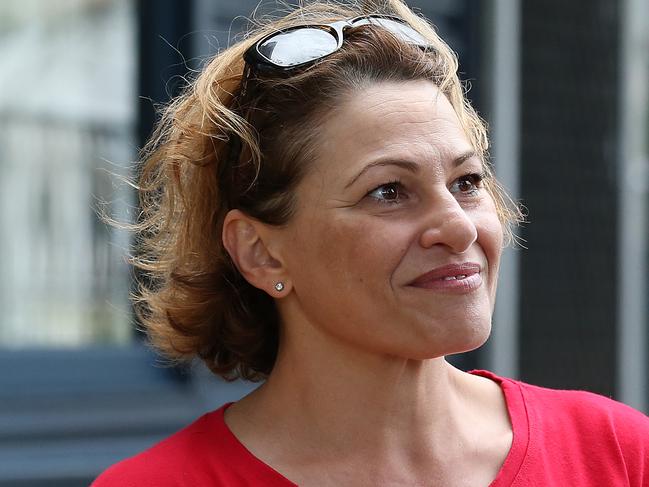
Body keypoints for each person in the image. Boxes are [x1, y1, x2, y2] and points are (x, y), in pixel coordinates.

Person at [93, 1, 649, 485]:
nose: (458, 227)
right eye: (388, 191)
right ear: (261, 252)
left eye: (467, 182)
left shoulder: (618, 454)